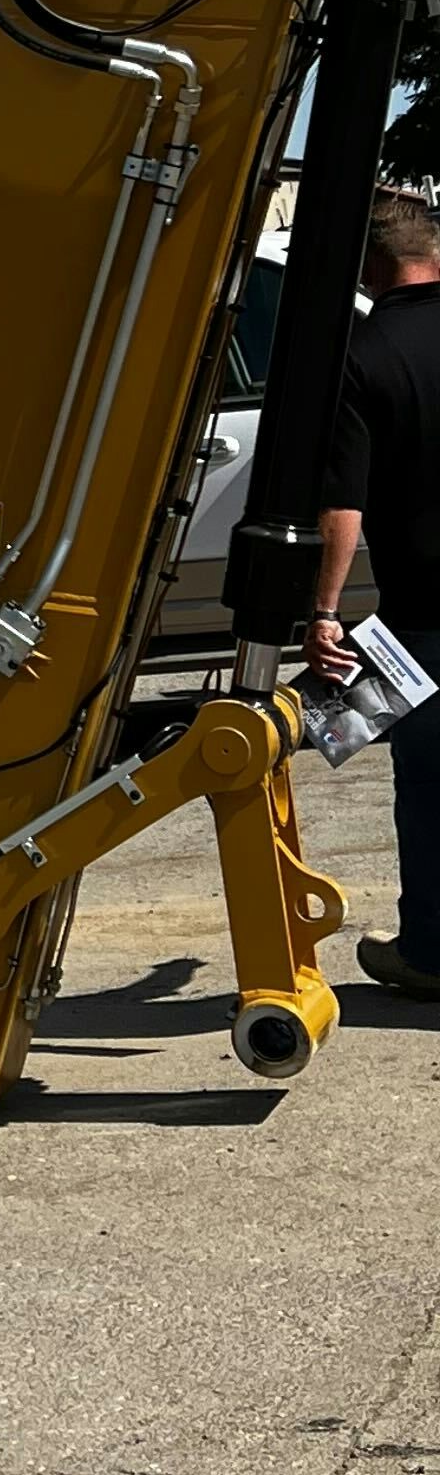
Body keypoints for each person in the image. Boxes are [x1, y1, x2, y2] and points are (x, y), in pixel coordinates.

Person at [312, 187, 440, 998]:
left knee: (426, 787)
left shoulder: (362, 355)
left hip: (423, 617)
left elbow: (343, 508)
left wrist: (324, 614)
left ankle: (429, 951)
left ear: (370, 267)